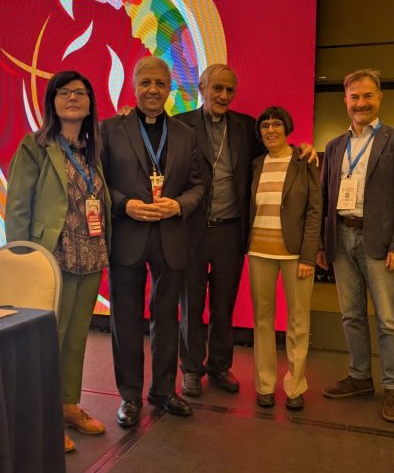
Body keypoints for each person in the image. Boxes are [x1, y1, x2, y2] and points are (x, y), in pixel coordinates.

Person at [174, 64, 316, 397]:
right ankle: (191, 369)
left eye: (229, 90)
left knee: (224, 304)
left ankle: (219, 367)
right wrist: (128, 113)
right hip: (192, 230)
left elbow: (275, 150)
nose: (224, 95)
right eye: (217, 88)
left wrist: (302, 148)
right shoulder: (179, 124)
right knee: (191, 303)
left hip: (230, 231)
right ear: (202, 88)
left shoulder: (246, 127)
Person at [5, 70, 110, 453]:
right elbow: (17, 206)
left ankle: (68, 406)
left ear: (90, 103)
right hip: (52, 256)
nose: (72, 98)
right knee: (52, 337)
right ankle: (43, 417)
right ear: (52, 101)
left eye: (80, 93)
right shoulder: (35, 146)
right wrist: (22, 258)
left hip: (91, 254)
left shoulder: (92, 149)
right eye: (64, 92)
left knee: (78, 337)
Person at [100, 56, 204, 427]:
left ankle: (163, 390)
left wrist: (179, 205)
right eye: (146, 82)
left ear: (170, 88)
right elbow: (99, 183)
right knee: (126, 320)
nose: (153, 90)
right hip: (127, 236)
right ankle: (129, 396)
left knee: (167, 318)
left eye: (160, 83)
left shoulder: (186, 134)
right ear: (134, 86)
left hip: (171, 236)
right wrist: (124, 205)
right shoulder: (109, 129)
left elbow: (198, 186)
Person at [316, 69, 394, 423]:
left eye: (367, 96)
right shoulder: (335, 146)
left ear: (380, 98)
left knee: (389, 320)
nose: (361, 103)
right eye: (354, 97)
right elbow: (324, 198)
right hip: (340, 238)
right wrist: (322, 242)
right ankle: (360, 377)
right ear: (345, 101)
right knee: (351, 315)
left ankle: (393, 388)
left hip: (381, 242)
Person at [248, 107, 322, 410]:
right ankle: (265, 385)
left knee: (298, 320)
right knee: (262, 320)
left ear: (287, 128)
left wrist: (308, 256)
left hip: (296, 255)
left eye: (276, 124)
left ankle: (295, 386)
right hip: (258, 251)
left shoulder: (304, 161)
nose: (271, 130)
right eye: (265, 125)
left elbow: (315, 211)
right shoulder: (256, 164)